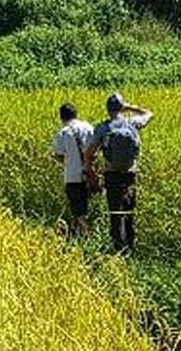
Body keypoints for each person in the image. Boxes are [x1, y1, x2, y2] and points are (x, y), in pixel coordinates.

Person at [85, 93, 153, 255]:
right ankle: (130, 246)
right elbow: (149, 114)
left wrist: (90, 171)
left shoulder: (102, 128)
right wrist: (129, 107)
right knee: (129, 209)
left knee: (115, 211)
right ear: (121, 107)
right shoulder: (132, 123)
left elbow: (89, 153)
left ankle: (118, 249)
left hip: (112, 175)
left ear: (108, 109)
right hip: (130, 174)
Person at [49, 103, 95, 236]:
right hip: (89, 174)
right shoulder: (88, 128)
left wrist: (69, 162)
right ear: (76, 114)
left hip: (72, 176)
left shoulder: (63, 132)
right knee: (86, 207)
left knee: (78, 210)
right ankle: (78, 234)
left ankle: (86, 237)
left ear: (61, 117)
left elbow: (58, 154)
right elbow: (97, 148)